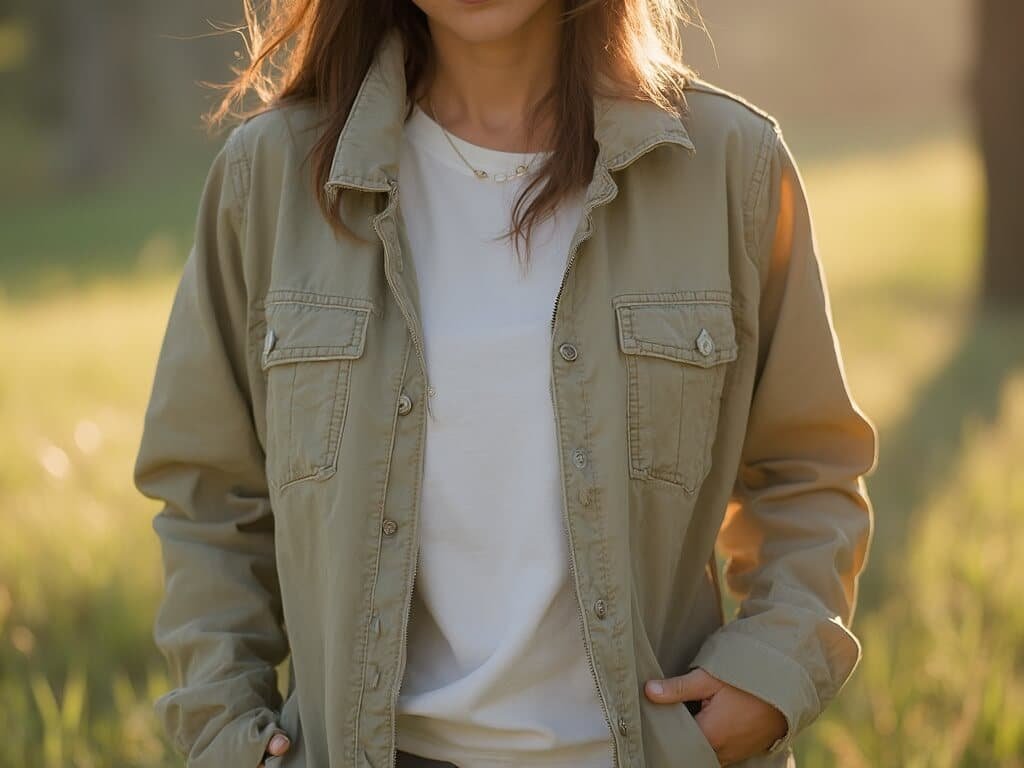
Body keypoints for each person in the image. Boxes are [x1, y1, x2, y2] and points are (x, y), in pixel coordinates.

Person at [133, 1, 878, 767]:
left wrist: (770, 670)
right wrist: (227, 733)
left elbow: (810, 471)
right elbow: (209, 503)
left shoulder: (727, 164)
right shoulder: (271, 179)